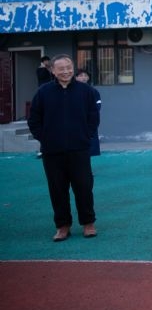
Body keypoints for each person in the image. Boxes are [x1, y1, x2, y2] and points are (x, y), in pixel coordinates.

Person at [27, 54, 100, 242]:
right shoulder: (43, 92)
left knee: (84, 187)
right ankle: (62, 226)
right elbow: (34, 119)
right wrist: (45, 138)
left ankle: (88, 223)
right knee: (57, 189)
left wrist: (86, 136)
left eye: (69, 67)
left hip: (79, 149)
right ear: (53, 71)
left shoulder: (86, 91)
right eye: (61, 68)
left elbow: (93, 117)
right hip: (52, 151)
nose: (66, 71)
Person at [75, 69, 102, 157]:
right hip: (76, 120)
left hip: (90, 120)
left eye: (85, 76)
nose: (83, 78)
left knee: (91, 142)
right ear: (76, 77)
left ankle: (92, 153)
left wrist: (91, 115)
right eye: (81, 76)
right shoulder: (71, 91)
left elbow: (98, 105)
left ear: (88, 78)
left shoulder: (93, 91)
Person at [34, 56, 54, 158]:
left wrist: (49, 69)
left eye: (48, 61)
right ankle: (42, 150)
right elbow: (42, 78)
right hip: (44, 95)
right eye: (46, 61)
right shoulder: (40, 70)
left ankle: (47, 148)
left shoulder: (50, 69)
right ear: (42, 62)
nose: (48, 62)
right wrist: (44, 68)